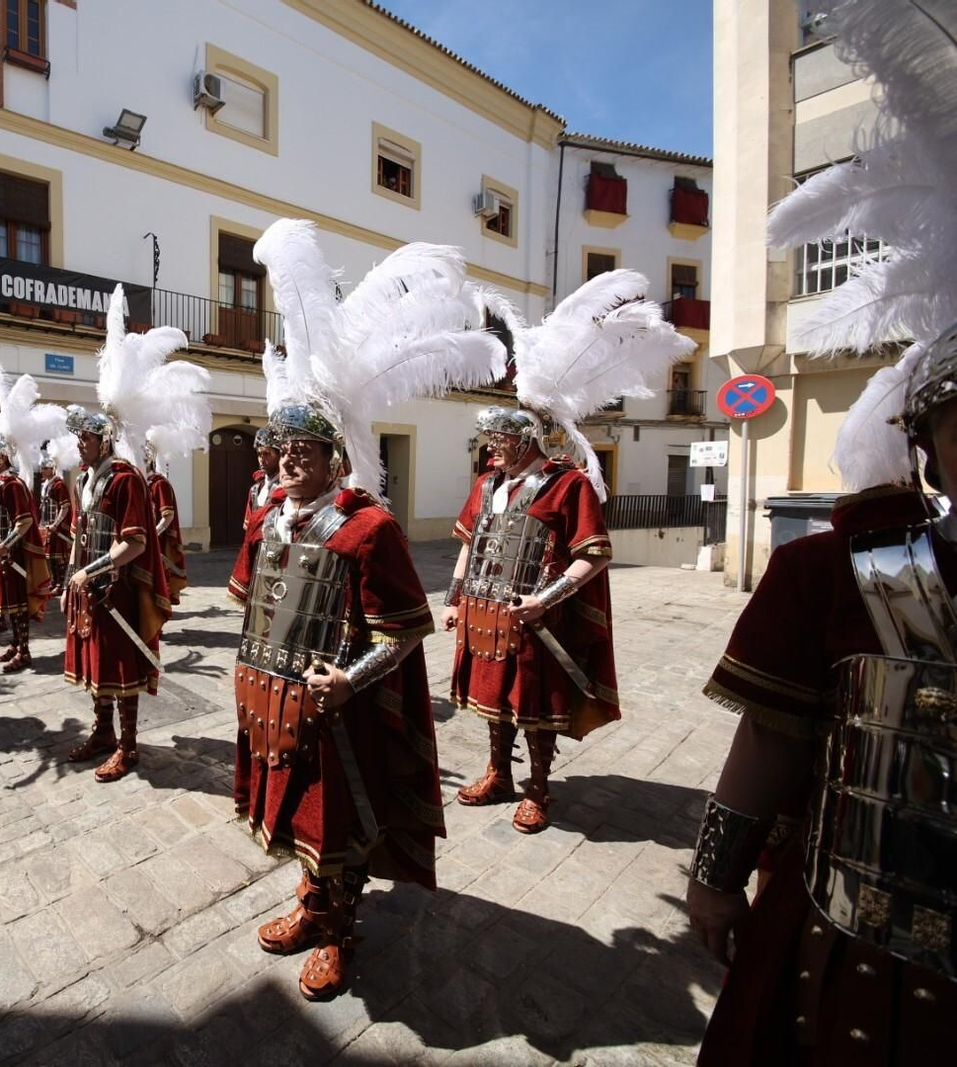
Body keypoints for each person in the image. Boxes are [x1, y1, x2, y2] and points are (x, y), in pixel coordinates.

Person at [690, 7, 955, 1058]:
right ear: (927, 439)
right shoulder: (834, 571)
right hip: (851, 941)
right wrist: (715, 871)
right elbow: (771, 737)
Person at [226, 220, 505, 1000]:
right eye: (283, 450)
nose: (289, 461)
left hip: (336, 705)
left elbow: (404, 632)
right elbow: (247, 600)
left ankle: (340, 928)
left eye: (305, 452)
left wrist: (348, 681)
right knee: (292, 814)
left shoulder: (370, 526)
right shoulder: (266, 517)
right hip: (270, 696)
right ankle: (313, 903)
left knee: (337, 825)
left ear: (336, 459)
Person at [446, 268, 690, 833]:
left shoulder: (567, 483)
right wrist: (456, 598)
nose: (494, 449)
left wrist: (544, 600)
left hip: (537, 615)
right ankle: (497, 773)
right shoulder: (485, 484)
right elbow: (468, 543)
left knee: (534, 707)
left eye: (503, 441)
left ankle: (537, 788)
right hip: (483, 611)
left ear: (528, 439)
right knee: (491, 700)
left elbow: (593, 554)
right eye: (492, 442)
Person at [61, 284, 209, 781]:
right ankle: (101, 731)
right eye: (77, 439)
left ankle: (128, 745)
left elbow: (136, 542)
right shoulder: (86, 480)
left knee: (122, 666)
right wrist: (70, 579)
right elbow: (82, 536)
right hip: (90, 587)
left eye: (83, 438)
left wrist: (94, 573)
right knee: (96, 664)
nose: (78, 446)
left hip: (120, 589)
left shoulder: (125, 479)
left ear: (101, 438)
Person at [0, 374, 57, 672]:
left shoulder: (11, 484)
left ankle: (24, 651)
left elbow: (25, 520)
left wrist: (6, 545)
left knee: (17, 605)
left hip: (13, 554)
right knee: (7, 604)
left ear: (1, 456)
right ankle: (16, 645)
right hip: (0, 551)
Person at [145, 449, 188, 603]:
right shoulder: (140, 482)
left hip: (158, 543)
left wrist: (152, 535)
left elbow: (168, 516)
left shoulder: (159, 484)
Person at [39, 448, 74, 594]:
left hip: (56, 527)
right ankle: (54, 581)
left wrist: (56, 524)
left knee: (59, 557)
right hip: (47, 525)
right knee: (50, 556)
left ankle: (61, 584)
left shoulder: (59, 485)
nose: (43, 471)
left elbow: (65, 506)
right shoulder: (45, 484)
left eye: (46, 468)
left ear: (53, 469)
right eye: (42, 468)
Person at [245, 428, 281, 531]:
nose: (261, 459)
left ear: (279, 456)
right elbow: (249, 530)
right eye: (259, 454)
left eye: (267, 454)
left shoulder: (287, 488)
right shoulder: (255, 490)